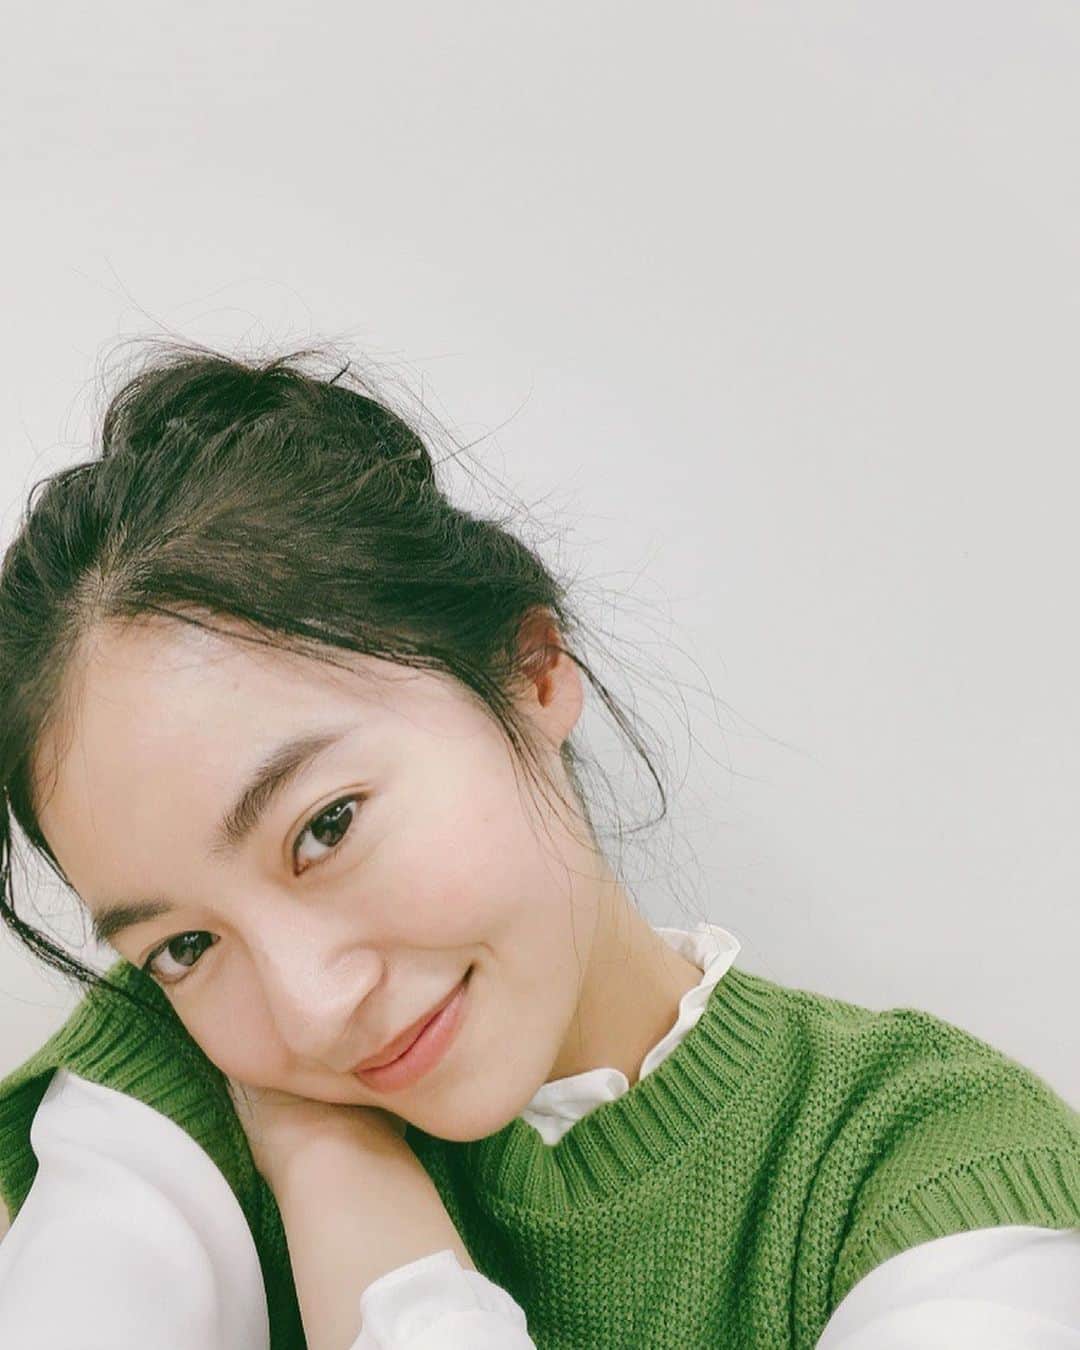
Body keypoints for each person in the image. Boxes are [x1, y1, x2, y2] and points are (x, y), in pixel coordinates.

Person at [0, 344, 1077, 1350]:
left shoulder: (924, 1162)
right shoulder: (175, 1088)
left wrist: (355, 1215)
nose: (309, 1010)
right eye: (184, 946)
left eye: (326, 827)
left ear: (532, 671)